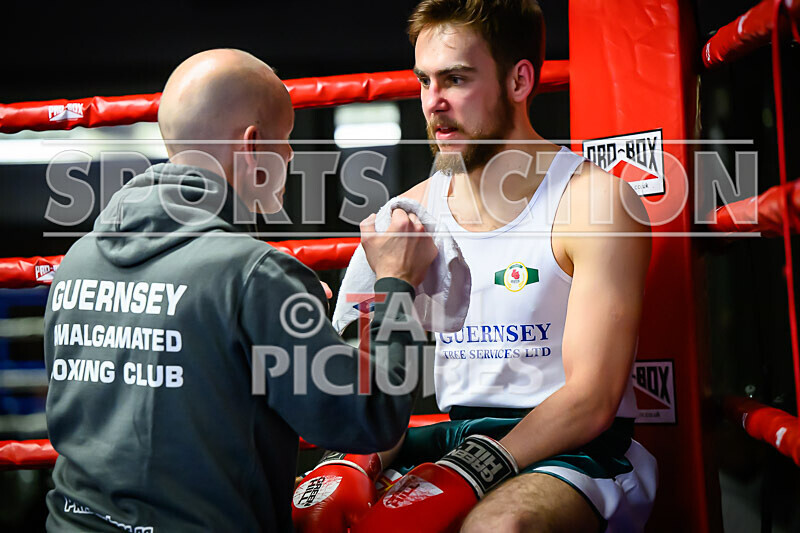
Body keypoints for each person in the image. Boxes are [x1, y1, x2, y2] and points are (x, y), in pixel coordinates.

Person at [42, 48, 437, 532]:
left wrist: (280, 318)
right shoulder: (254, 276)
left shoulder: (77, 260)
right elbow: (372, 418)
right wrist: (397, 283)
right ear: (252, 146)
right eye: (286, 141)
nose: (291, 157)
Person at [336, 1, 658, 531]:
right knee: (319, 511)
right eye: (424, 81)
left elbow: (592, 400)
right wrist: (358, 461)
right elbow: (374, 385)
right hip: (455, 435)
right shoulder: (408, 217)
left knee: (496, 529)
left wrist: (474, 470)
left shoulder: (596, 204)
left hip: (578, 452)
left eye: (455, 79)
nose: (433, 103)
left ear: (519, 80)